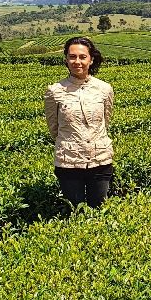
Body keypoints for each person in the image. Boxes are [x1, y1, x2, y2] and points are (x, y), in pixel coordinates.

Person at [43, 36, 115, 209]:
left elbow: (106, 121)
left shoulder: (105, 89)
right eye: (72, 56)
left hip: (100, 160)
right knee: (74, 212)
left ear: (91, 59)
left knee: (99, 210)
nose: (77, 61)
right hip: (69, 162)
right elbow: (54, 128)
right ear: (66, 60)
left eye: (82, 57)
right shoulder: (54, 91)